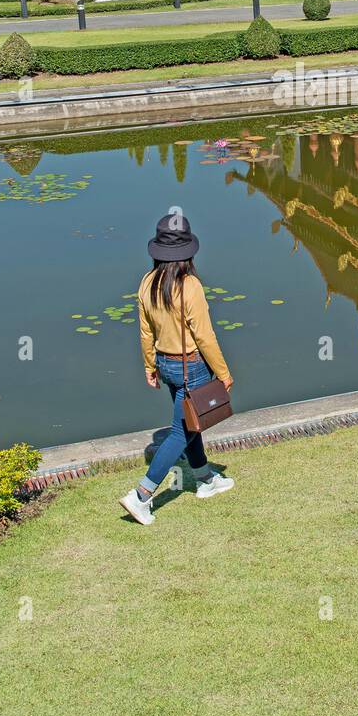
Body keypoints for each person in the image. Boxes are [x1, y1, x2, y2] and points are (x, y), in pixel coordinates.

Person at [119, 215, 234, 526]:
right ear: (188, 252)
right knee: (179, 432)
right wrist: (223, 373)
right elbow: (205, 336)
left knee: (190, 421)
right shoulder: (190, 285)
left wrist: (149, 366)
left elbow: (145, 332)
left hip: (165, 363)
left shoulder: (146, 282)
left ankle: (205, 480)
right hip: (191, 366)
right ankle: (141, 496)